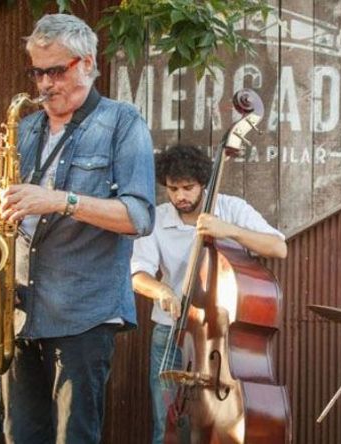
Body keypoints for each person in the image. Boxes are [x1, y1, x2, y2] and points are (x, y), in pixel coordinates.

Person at [0, 14, 156, 444]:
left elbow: (139, 217)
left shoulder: (123, 121)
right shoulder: (26, 127)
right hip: (19, 311)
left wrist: (60, 201)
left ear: (87, 63)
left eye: (56, 70)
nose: (44, 84)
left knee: (75, 437)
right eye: (37, 71)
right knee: (21, 436)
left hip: (83, 313)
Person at [130, 144, 287, 443]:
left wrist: (229, 230)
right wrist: (161, 289)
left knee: (223, 420)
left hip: (221, 337)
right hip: (172, 333)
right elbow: (138, 273)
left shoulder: (231, 208)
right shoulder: (158, 218)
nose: (181, 197)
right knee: (168, 424)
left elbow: (278, 247)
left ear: (203, 183)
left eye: (188, 188)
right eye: (173, 189)